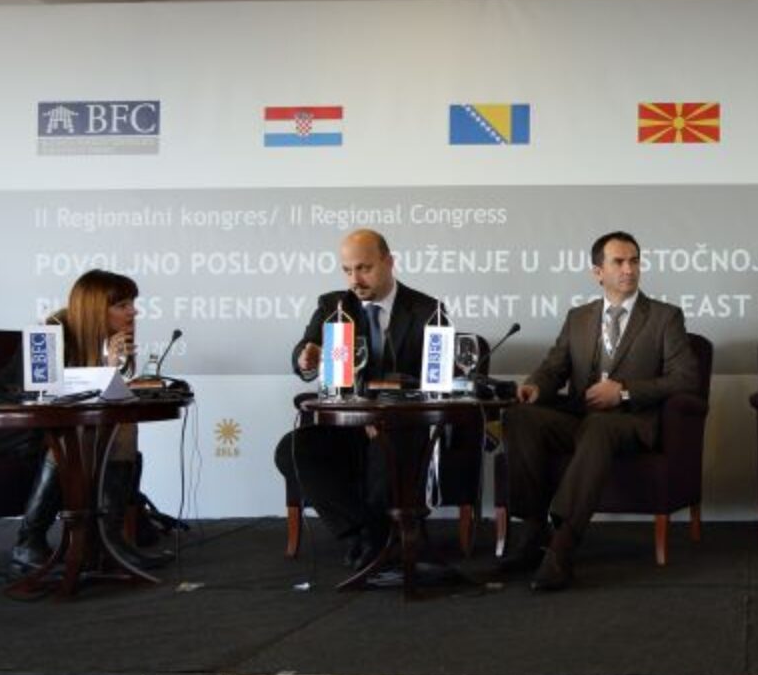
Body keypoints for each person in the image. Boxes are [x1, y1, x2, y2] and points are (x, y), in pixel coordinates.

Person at [501, 231, 699, 591]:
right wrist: (535, 386)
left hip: (631, 423)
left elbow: (685, 378)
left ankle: (562, 546)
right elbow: (554, 368)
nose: (629, 269)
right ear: (598, 272)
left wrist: (623, 392)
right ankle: (532, 532)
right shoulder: (578, 317)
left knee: (600, 426)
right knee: (519, 416)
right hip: (579, 417)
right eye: (618, 262)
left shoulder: (664, 317)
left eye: (634, 261)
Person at [274, 229, 481, 567]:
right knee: (293, 449)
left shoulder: (426, 309)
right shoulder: (333, 306)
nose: (355, 280)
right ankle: (366, 534)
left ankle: (374, 546)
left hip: (403, 426)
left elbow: (437, 380)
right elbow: (305, 350)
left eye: (364, 268)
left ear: (389, 262)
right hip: (349, 425)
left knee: (386, 449)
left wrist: (389, 411)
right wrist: (304, 358)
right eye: (347, 270)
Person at [0, 269, 167, 572]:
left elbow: (99, 401)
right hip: (4, 427)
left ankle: (110, 540)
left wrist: (112, 369)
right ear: (95, 308)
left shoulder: (108, 340)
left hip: (53, 427)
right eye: (122, 305)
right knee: (68, 436)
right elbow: (40, 396)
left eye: (132, 303)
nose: (133, 311)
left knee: (122, 428)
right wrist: (104, 369)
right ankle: (29, 542)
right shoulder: (49, 334)